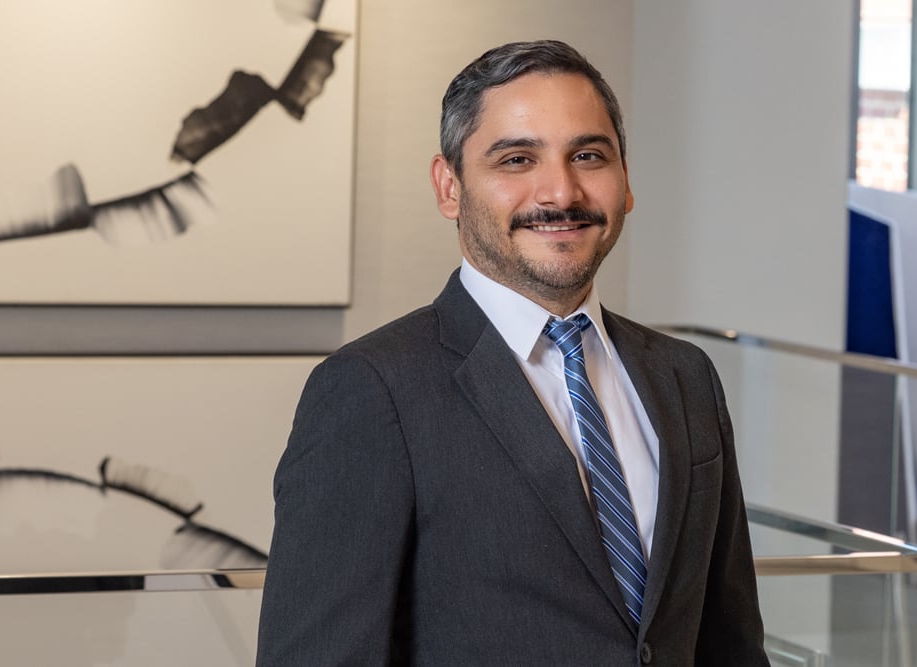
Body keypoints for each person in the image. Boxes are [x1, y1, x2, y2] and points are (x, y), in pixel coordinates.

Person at [257, 40, 769, 666]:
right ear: (449, 186)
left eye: (588, 155)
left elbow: (731, 644)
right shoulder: (372, 391)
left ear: (626, 181)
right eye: (517, 159)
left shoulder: (685, 376)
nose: (560, 191)